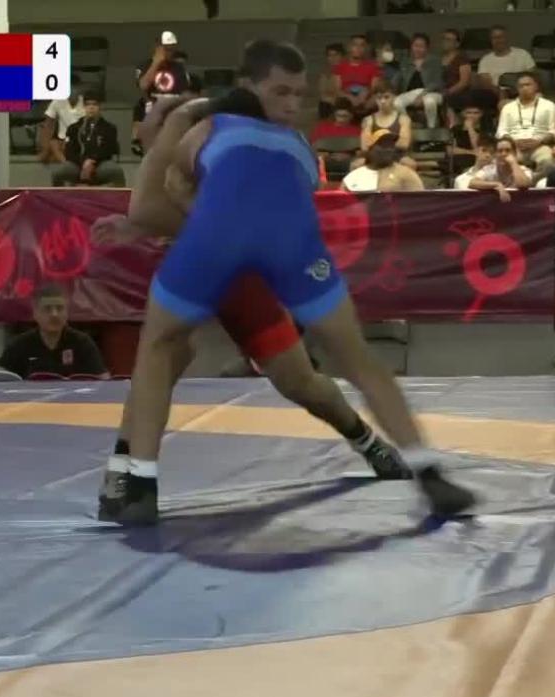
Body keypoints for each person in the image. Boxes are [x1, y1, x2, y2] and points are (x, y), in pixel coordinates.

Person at [105, 40, 475, 524]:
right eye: (281, 93)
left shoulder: (221, 131)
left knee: (293, 378)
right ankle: (124, 474)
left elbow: (154, 208)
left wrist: (160, 216)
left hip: (235, 268)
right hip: (235, 253)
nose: (291, 105)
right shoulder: (229, 133)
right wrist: (166, 211)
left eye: (298, 95)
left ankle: (364, 439)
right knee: (167, 353)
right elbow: (159, 203)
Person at [0, 286, 109, 379]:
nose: (54, 314)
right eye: (47, 309)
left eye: (59, 308)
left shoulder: (82, 343)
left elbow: (103, 380)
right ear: (35, 314)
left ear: (67, 313)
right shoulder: (19, 344)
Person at [342, 130, 424, 191]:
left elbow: (419, 201)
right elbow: (341, 202)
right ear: (371, 149)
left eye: (391, 146)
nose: (388, 149)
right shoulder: (355, 175)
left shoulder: (406, 173)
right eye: (383, 145)